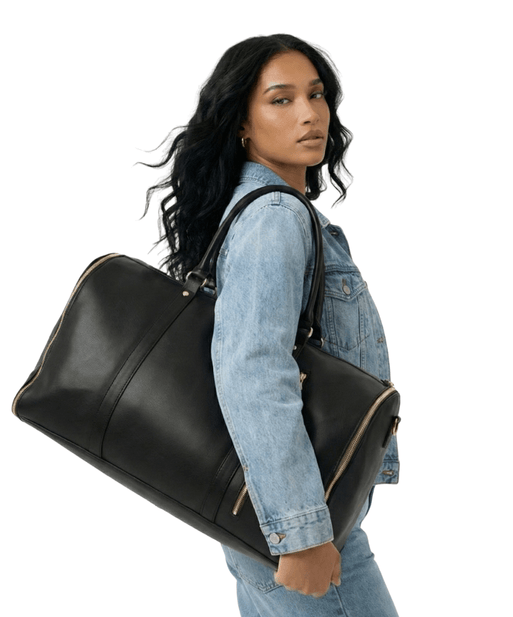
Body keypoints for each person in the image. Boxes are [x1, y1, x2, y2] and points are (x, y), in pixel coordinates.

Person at [144, 33, 400, 617]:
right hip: (298, 527)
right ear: (242, 122)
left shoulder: (264, 210)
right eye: (281, 100)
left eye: (317, 95)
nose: (309, 113)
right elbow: (253, 368)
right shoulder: (275, 217)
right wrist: (302, 532)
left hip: (272, 519)